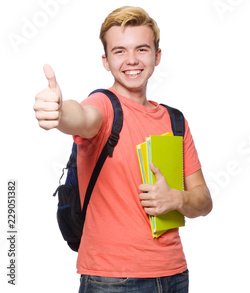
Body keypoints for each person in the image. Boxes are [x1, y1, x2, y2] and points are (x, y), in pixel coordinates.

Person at [34, 6, 212, 293]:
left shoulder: (175, 120)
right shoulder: (103, 105)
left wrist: (177, 198)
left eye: (141, 49)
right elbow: (81, 117)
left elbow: (203, 201)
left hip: (175, 275)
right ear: (105, 61)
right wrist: (59, 114)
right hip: (112, 280)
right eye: (119, 51)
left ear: (157, 55)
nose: (131, 60)